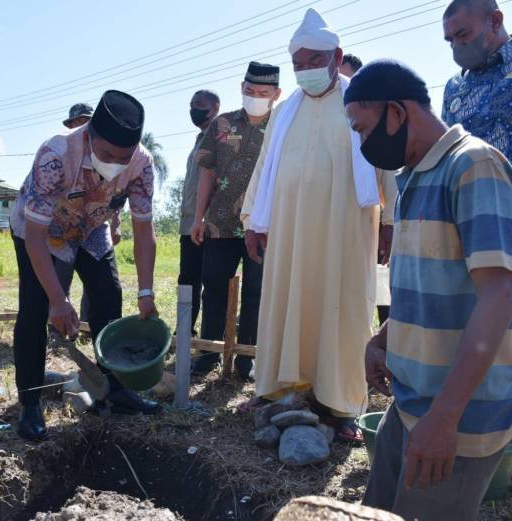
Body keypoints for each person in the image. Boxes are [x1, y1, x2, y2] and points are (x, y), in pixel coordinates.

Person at [347, 59, 512, 521]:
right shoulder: (414, 179)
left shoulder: (473, 167)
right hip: (413, 403)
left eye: (363, 128)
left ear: (397, 112)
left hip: (458, 418)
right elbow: (428, 285)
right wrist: (383, 338)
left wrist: (445, 420)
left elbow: (498, 297)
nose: (362, 143)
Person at [240, 9, 391, 441]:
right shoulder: (284, 111)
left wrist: (390, 221)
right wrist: (254, 220)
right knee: (288, 299)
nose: (305, 70)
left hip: (347, 227)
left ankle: (341, 405)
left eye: (313, 60)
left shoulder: (361, 101)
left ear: (336, 56)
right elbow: (265, 167)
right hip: (289, 230)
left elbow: (385, 166)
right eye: (298, 63)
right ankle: (277, 389)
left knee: (341, 306)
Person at [10, 90, 160, 441]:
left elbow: (143, 231)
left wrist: (147, 290)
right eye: (108, 155)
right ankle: (30, 403)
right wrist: (58, 301)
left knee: (109, 294)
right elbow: (34, 237)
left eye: (125, 157)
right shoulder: (56, 155)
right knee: (34, 310)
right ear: (89, 134)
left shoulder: (141, 164)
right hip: (44, 230)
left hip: (92, 226)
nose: (117, 164)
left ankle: (115, 388)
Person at [441, 0, 512, 493]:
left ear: (496, 22)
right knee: (473, 337)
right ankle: (477, 441)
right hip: (467, 238)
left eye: (463, 34)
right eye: (449, 40)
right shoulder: (454, 90)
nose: (456, 46)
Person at [189, 62, 280, 380]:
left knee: (258, 291)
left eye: (263, 93)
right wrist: (199, 218)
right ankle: (209, 354)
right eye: (250, 91)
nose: (255, 97)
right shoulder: (221, 125)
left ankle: (247, 358)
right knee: (213, 288)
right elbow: (208, 172)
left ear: (276, 94)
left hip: (265, 225)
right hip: (221, 222)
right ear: (242, 88)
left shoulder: (284, 125)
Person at [48, 103, 123, 341]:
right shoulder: (60, 153)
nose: (82, 127)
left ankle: (92, 327)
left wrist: (116, 223)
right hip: (63, 227)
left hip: (95, 228)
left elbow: (115, 195)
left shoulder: (108, 152)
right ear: (70, 126)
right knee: (61, 278)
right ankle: (58, 326)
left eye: (86, 122)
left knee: (102, 283)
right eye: (77, 122)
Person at [337, 53, 396, 325]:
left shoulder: (374, 118)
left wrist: (388, 223)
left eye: (347, 77)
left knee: (381, 290)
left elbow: (388, 175)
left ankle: (387, 348)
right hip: (336, 225)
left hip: (369, 223)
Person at [178, 90, 220, 335]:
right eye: (192, 105)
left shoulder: (221, 137)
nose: (194, 109)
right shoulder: (198, 139)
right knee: (187, 279)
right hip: (188, 224)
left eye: (200, 105)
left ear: (215, 107)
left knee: (209, 282)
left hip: (208, 224)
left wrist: (204, 217)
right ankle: (185, 330)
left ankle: (211, 336)